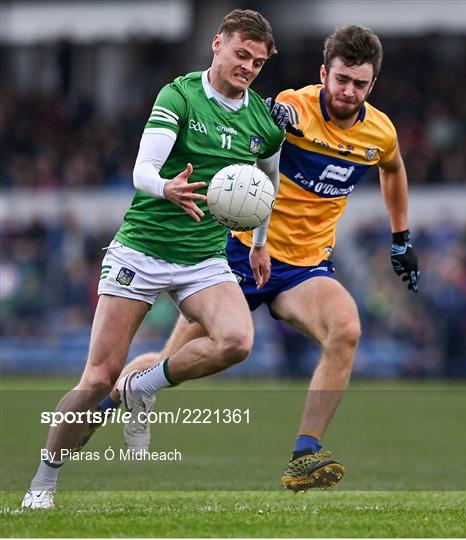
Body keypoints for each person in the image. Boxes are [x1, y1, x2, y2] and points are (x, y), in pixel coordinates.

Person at [76, 25, 421, 494]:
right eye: (341, 80)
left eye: (359, 84)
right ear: (324, 73)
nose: (348, 92)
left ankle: (305, 455)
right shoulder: (289, 107)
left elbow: (394, 168)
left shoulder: (379, 132)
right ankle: (110, 405)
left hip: (304, 268)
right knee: (172, 360)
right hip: (239, 253)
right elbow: (245, 121)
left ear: (372, 85)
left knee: (347, 329)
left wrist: (400, 237)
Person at [22, 9, 285, 509]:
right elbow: (141, 169)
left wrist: (259, 242)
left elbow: (267, 184)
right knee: (98, 378)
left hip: (203, 256)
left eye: (258, 61)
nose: (248, 67)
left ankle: (144, 384)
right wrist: (166, 186)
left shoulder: (264, 123)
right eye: (241, 54)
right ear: (217, 45)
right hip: (141, 249)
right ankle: (44, 479)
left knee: (237, 341)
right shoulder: (178, 95)